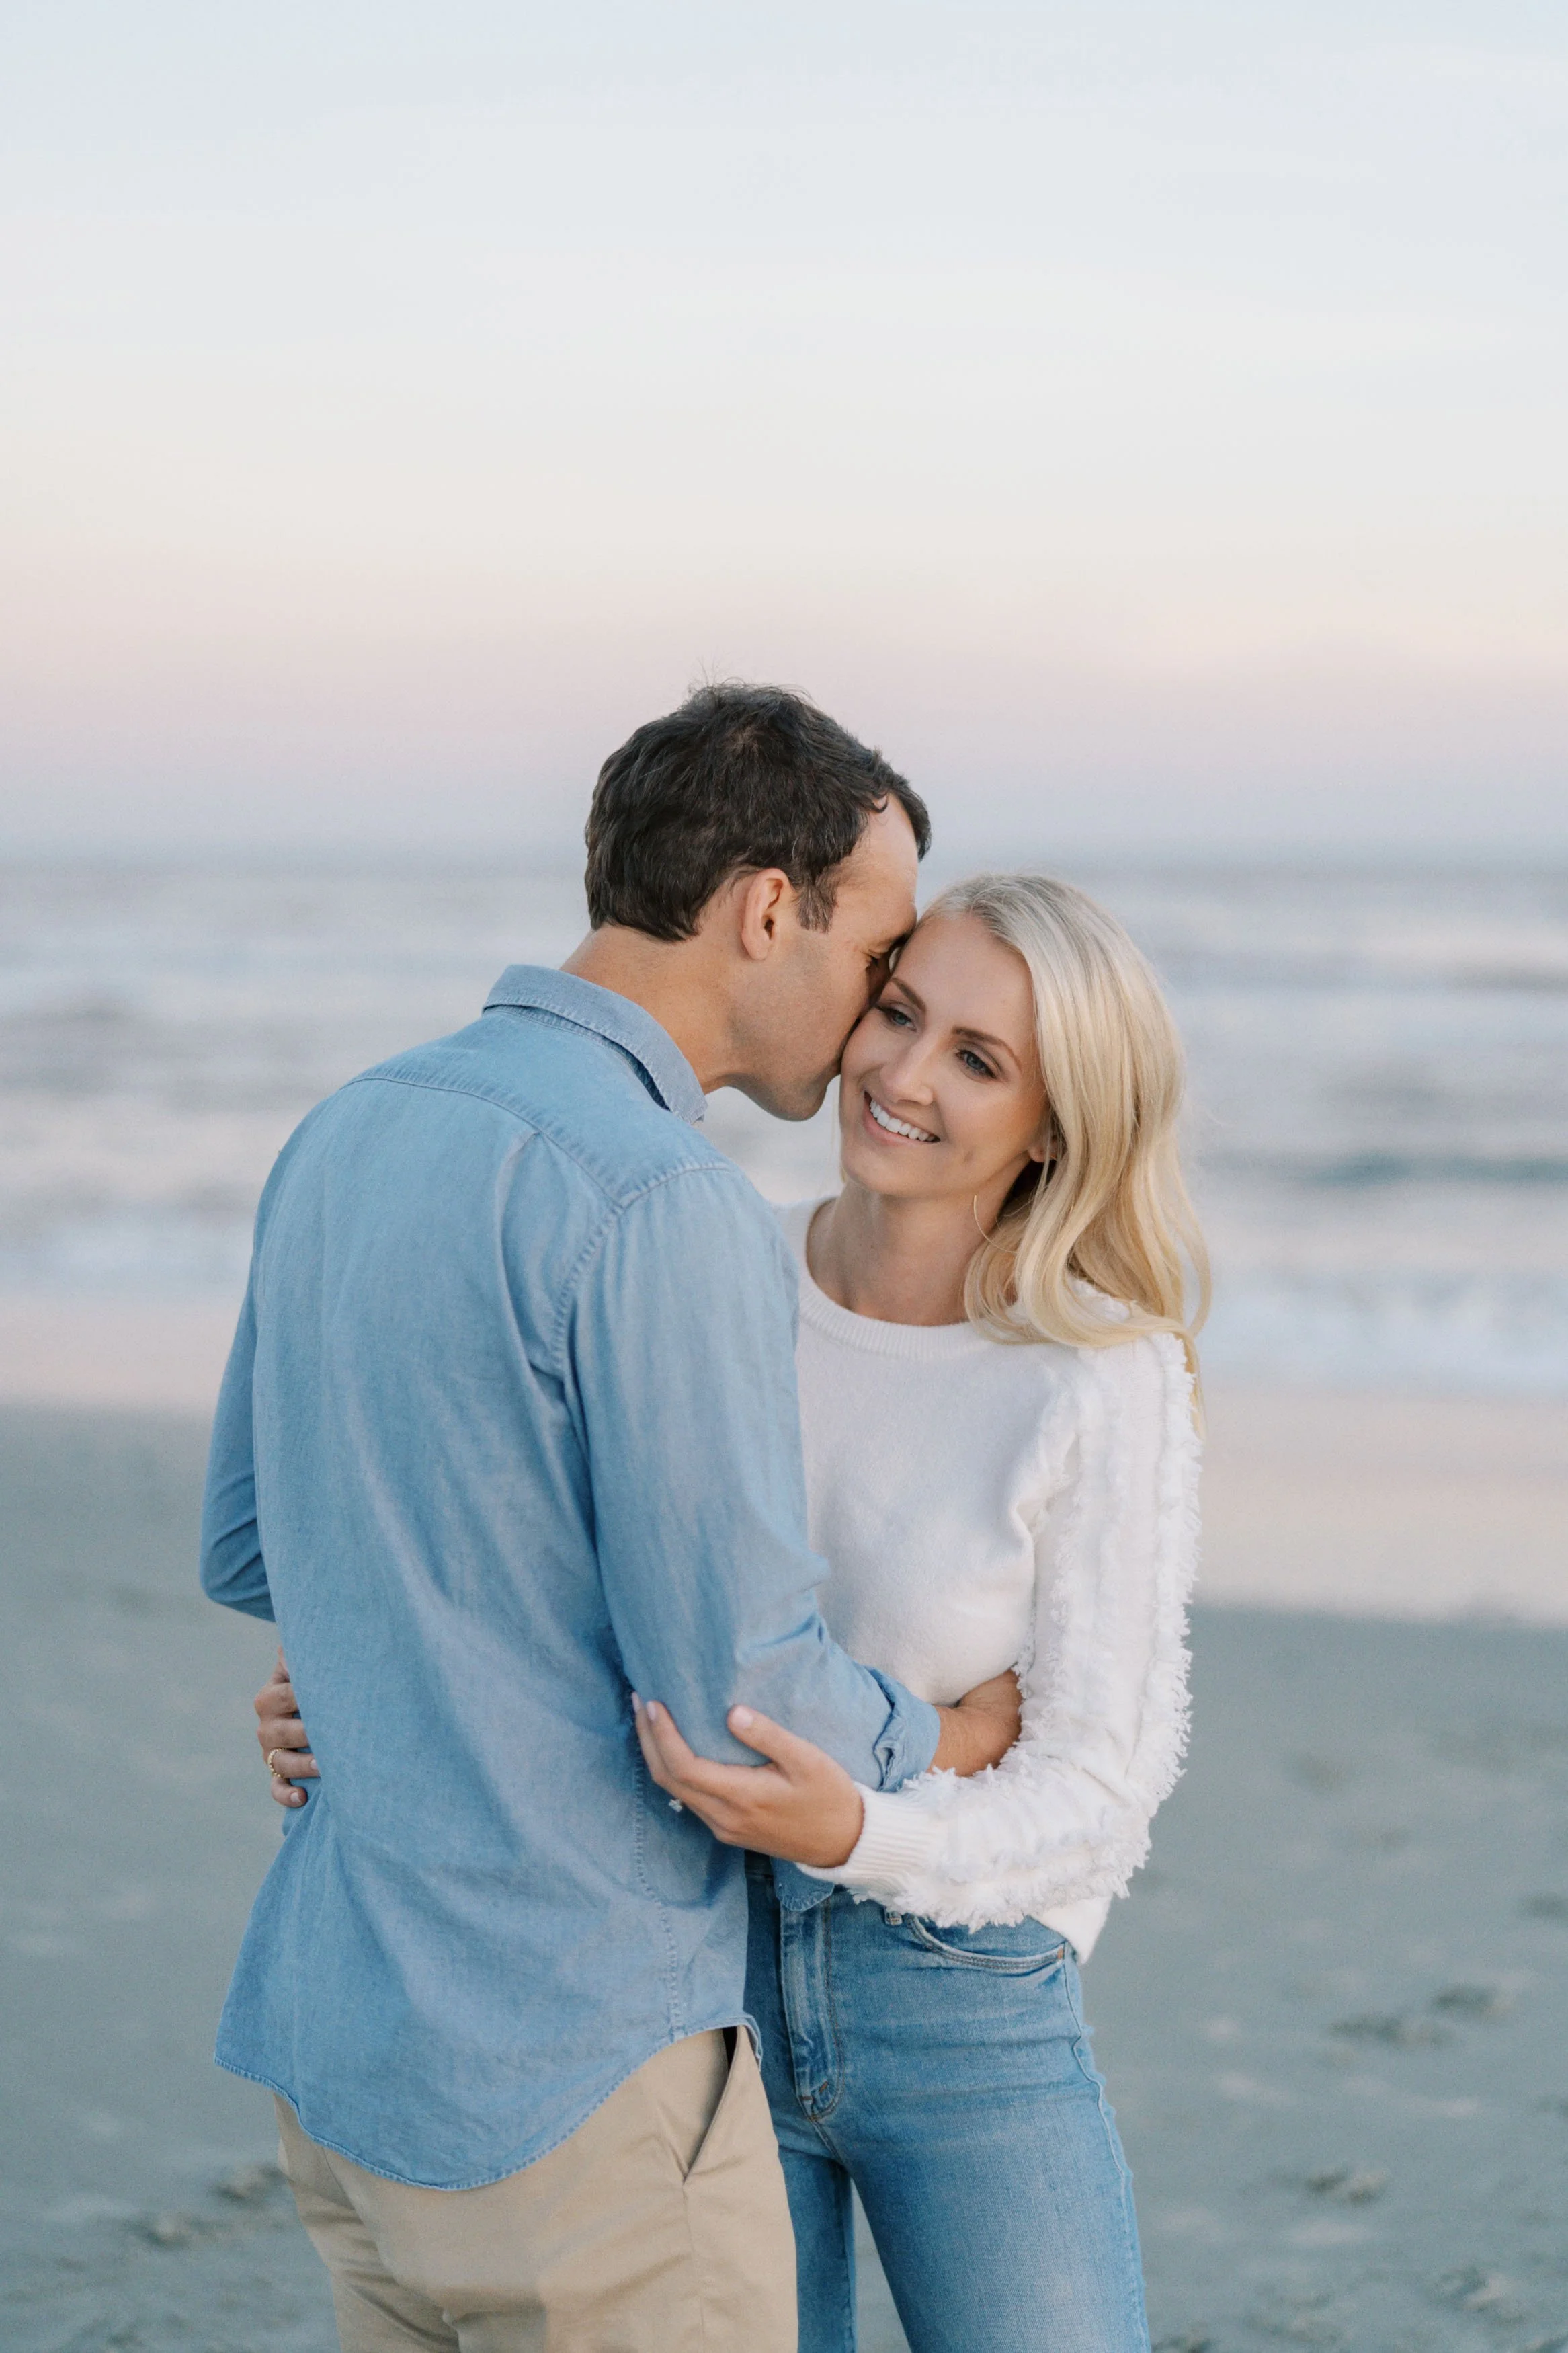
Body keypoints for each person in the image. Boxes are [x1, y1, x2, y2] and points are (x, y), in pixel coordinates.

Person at [261, 869, 1208, 2352]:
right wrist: (353, 1671)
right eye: (895, 1011)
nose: (900, 1073)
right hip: (692, 1985)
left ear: (1058, 1122)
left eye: (977, 1058)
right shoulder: (699, 1259)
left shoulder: (1094, 1375)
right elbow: (535, 1587)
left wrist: (858, 1832)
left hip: (957, 2003)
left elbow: (1095, 1793)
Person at [201, 682, 1022, 2353]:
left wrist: (383, 1663)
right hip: (574, 2089)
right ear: (765, 910)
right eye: (878, 959)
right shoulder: (662, 1200)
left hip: (343, 2060)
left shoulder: (346, 1127)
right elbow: (746, 1698)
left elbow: (255, 1543)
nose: (880, 1013)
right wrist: (950, 1735)